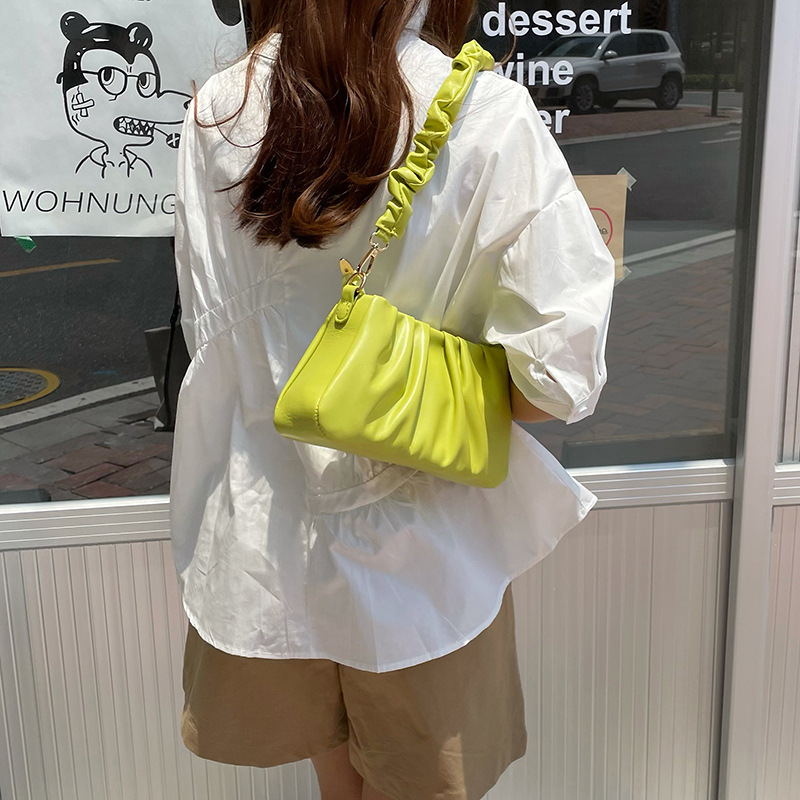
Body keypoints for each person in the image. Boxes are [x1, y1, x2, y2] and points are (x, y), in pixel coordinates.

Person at [169, 0, 616, 798]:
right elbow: (557, 381)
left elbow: (210, 333)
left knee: (335, 783)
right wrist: (416, 387)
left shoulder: (217, 110)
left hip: (267, 534)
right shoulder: (484, 113)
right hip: (423, 551)